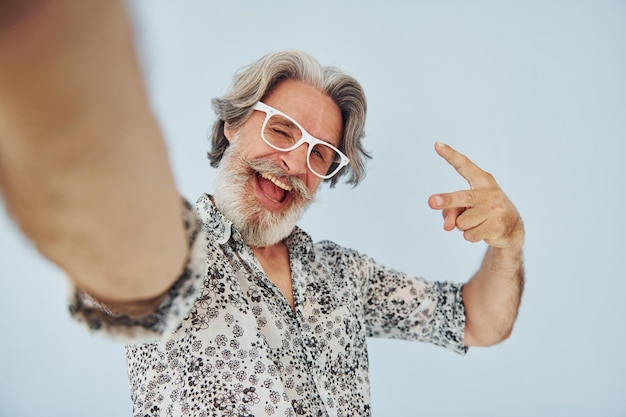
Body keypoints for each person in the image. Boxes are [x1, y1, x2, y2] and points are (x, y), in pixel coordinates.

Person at [0, 1, 524, 417]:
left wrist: (509, 246)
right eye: (281, 130)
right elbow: (119, 248)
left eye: (320, 154)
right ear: (233, 125)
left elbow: (477, 320)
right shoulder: (175, 251)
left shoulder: (342, 273)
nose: (295, 162)